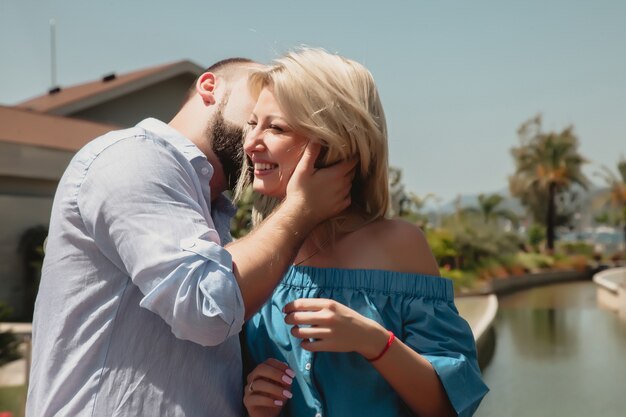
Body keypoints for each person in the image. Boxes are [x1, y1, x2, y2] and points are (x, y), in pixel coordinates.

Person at [26, 57, 355, 417]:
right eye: (253, 116)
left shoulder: (209, 206)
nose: (256, 137)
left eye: (277, 123)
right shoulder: (133, 158)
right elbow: (207, 310)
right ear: (210, 87)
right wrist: (301, 210)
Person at [239, 48, 489, 417]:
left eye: (275, 127)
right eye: (252, 123)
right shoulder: (250, 255)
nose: (250, 143)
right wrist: (254, 401)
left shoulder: (400, 245)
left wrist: (372, 340)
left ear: (336, 140)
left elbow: (450, 405)